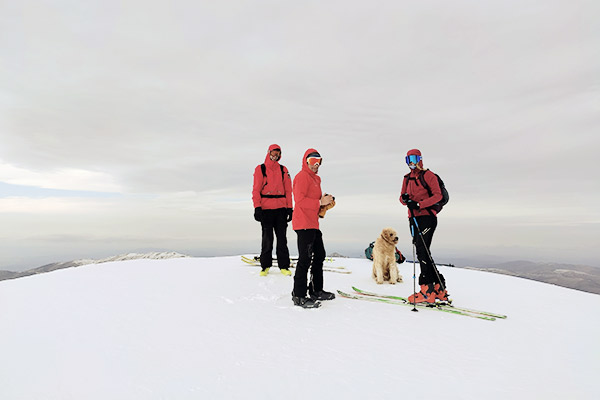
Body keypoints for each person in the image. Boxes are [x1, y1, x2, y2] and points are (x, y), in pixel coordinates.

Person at [399, 148, 449, 303]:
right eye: (408, 160)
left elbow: (438, 195)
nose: (411, 163)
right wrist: (406, 199)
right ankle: (439, 288)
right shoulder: (407, 178)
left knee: (422, 252)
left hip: (427, 217)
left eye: (413, 159)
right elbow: (401, 198)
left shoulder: (429, 176)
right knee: (424, 253)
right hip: (413, 218)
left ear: (420, 159)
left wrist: (419, 204)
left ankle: (426, 290)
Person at [291, 149, 335, 308]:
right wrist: (320, 203)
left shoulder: (316, 179)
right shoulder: (301, 177)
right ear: (305, 161)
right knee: (305, 258)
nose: (316, 165)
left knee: (319, 255)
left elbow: (315, 201)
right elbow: (300, 201)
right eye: (312, 161)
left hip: (313, 223)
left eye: (319, 161)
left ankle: (316, 290)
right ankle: (299, 295)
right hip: (303, 224)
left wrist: (325, 205)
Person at [252, 144, 293, 276]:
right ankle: (265, 266)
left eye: (278, 154)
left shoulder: (283, 170)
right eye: (273, 153)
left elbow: (288, 190)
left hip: (281, 209)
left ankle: (284, 266)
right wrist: (257, 207)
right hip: (266, 210)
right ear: (268, 153)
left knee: (282, 239)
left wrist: (289, 208)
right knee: (267, 239)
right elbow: (256, 190)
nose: (275, 156)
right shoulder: (260, 169)